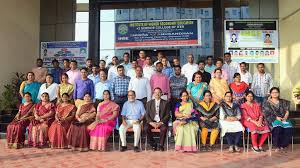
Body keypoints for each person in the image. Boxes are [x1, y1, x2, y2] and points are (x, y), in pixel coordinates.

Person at [263, 87, 293, 151]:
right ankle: (277, 145)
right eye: (273, 92)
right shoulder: (266, 103)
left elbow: (287, 111)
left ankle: (283, 145)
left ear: (279, 93)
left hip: (283, 118)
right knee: (278, 128)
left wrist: (285, 118)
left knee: (289, 129)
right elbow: (266, 113)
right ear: (270, 94)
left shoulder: (283, 102)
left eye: (276, 92)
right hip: (272, 119)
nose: (275, 94)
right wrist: (276, 118)